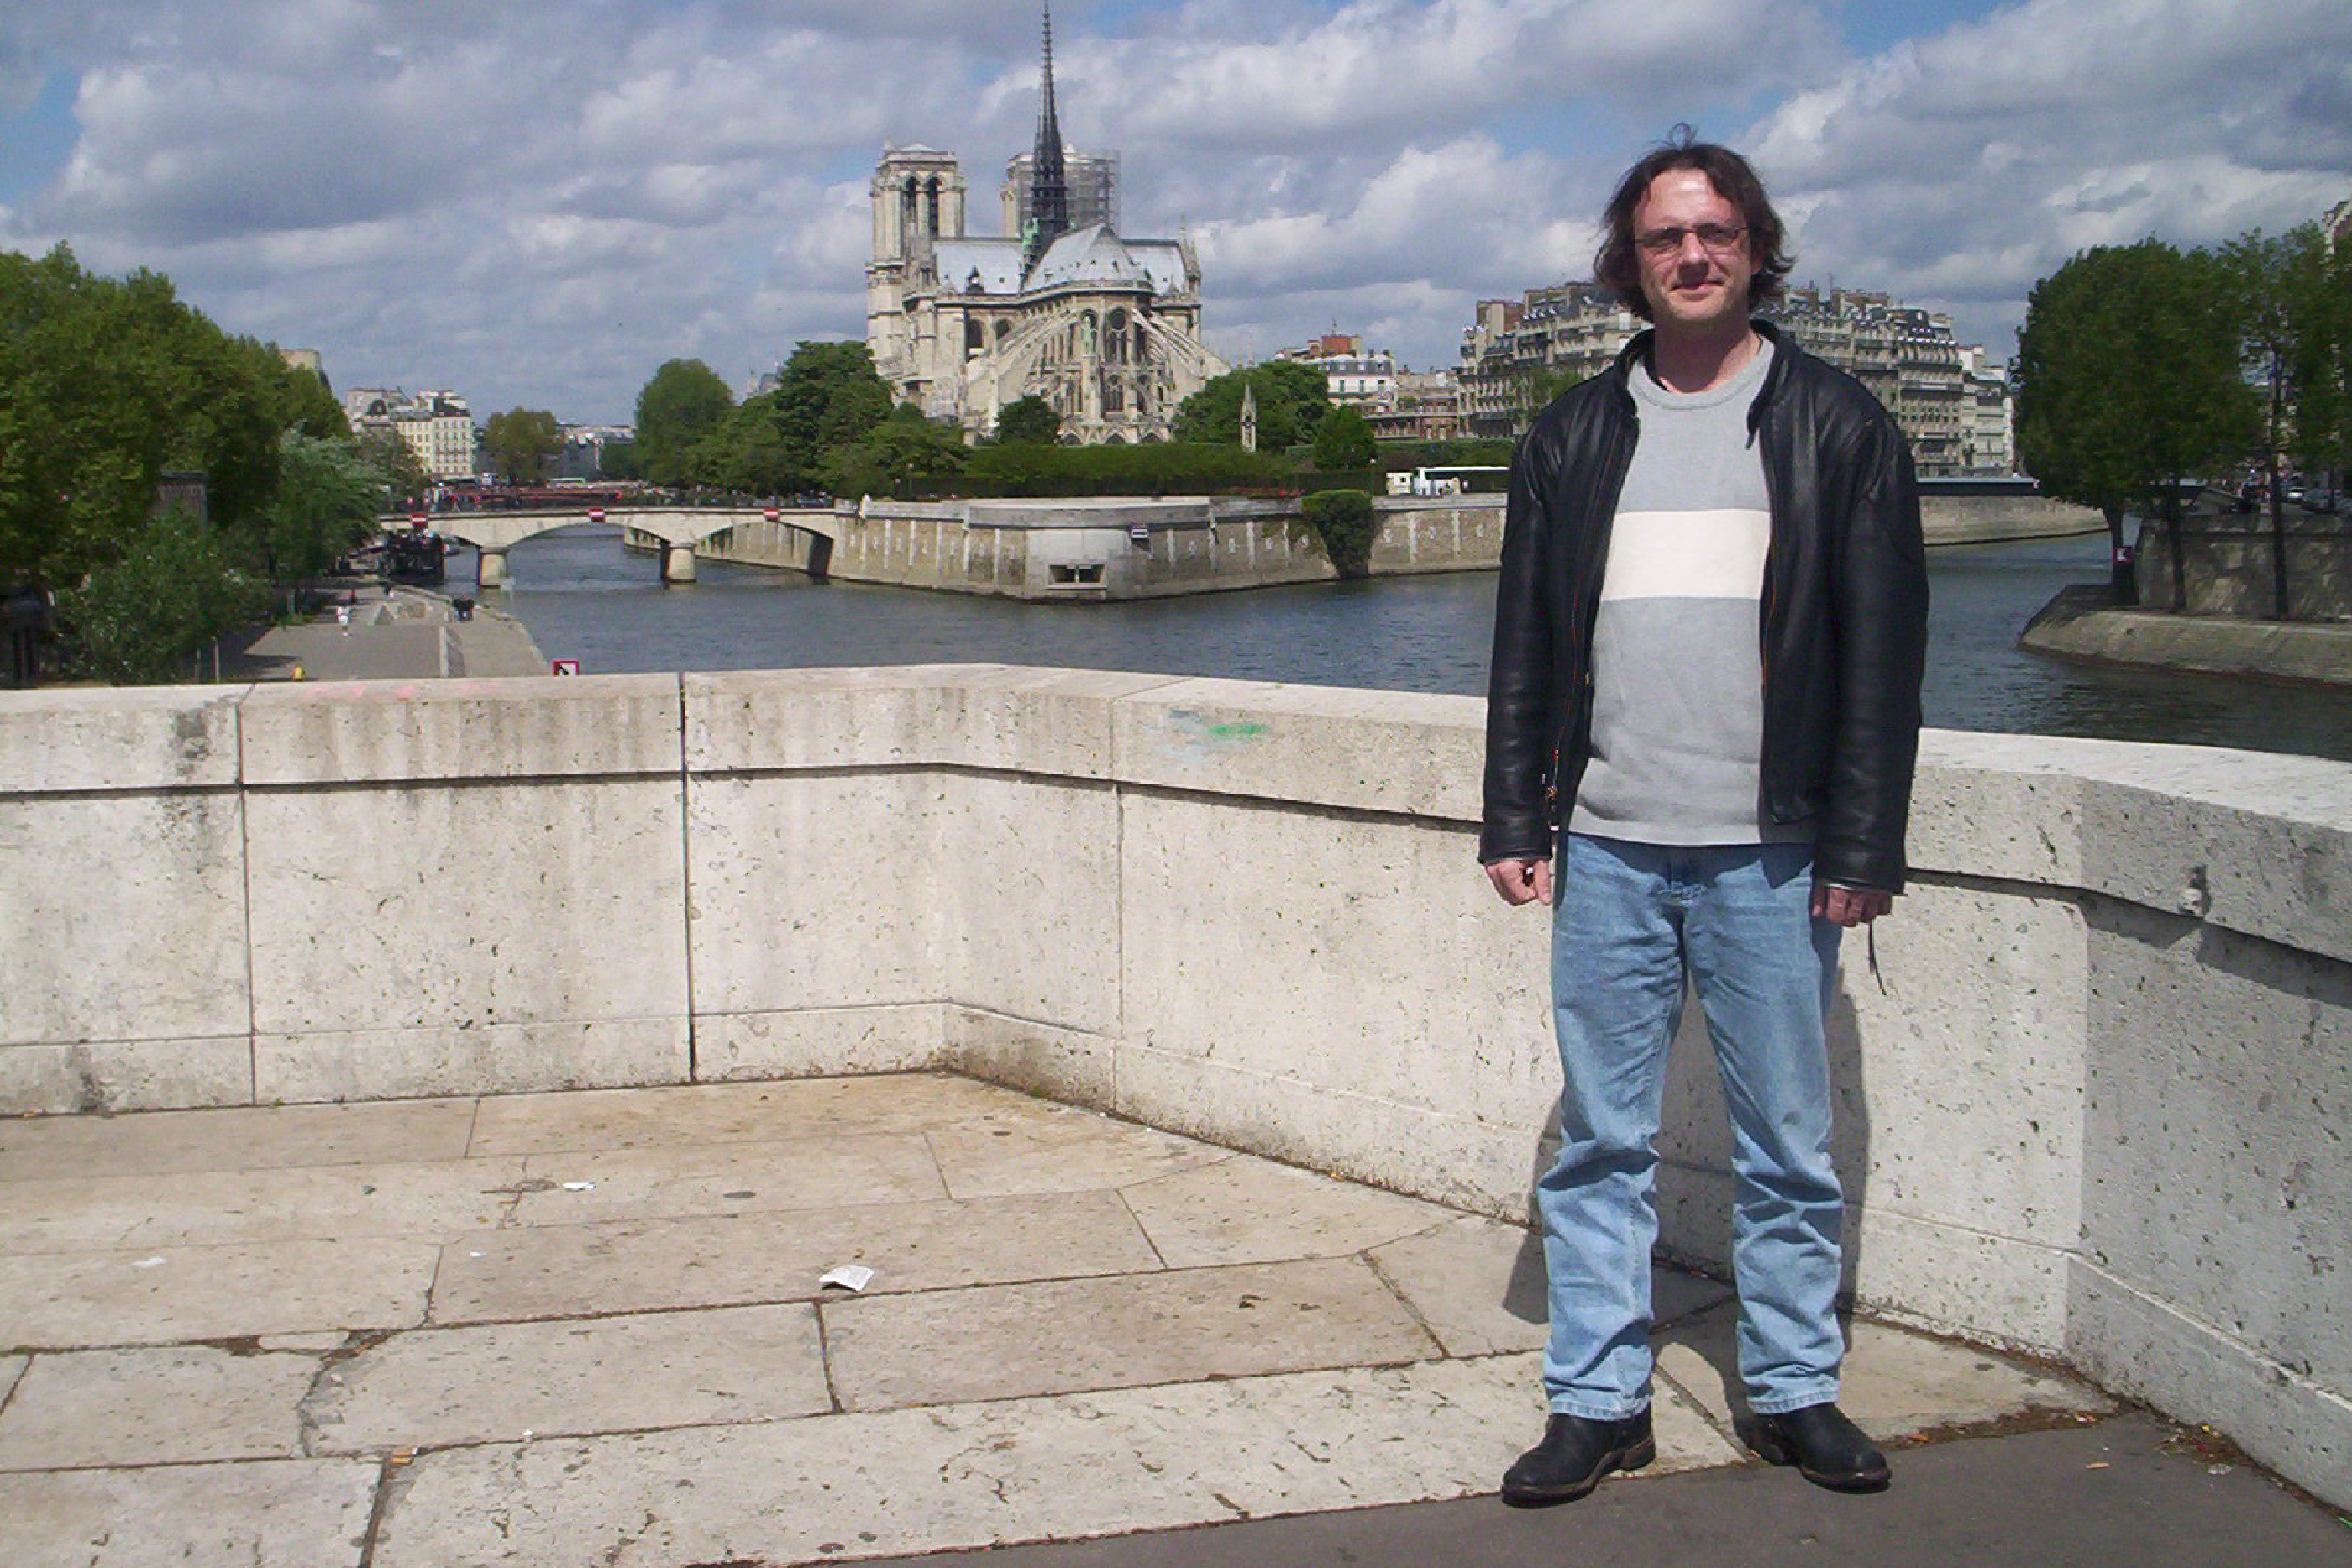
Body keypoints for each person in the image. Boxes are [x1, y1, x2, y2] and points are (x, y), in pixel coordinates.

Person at [1481, 129, 1928, 1507]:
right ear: (1632, 261)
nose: (1691, 255)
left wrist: (1862, 842)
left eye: (1716, 233)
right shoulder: (1571, 433)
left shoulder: (1838, 424)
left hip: (1773, 847)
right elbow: (1527, 648)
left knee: (1785, 1144)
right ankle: (1600, 1399)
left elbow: (1880, 658)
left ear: (1753, 249)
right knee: (1605, 1140)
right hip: (1608, 839)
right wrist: (1517, 812)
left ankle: (1794, 1389)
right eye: (1667, 236)